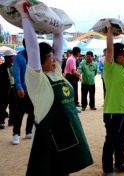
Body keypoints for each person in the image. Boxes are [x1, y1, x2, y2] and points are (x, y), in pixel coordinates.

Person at [15, 1, 93, 175]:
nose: (54, 59)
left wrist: (58, 25)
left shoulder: (55, 72)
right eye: (49, 57)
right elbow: (33, 48)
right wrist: (25, 16)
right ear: (38, 60)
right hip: (49, 136)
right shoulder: (37, 78)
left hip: (69, 131)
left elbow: (58, 43)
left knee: (65, 172)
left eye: (52, 55)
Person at [102, 19, 124, 176]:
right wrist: (109, 30)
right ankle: (107, 169)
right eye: (121, 54)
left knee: (122, 139)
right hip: (113, 110)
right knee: (111, 141)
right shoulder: (110, 67)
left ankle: (119, 163)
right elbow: (109, 49)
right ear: (114, 56)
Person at [12, 39, 35, 144]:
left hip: (34, 89)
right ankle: (16, 133)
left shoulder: (35, 57)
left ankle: (28, 131)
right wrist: (19, 87)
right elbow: (16, 73)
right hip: (23, 89)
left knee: (32, 111)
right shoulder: (18, 57)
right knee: (19, 112)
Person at [0, 49, 17, 129]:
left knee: (13, 105)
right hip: (4, 90)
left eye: (13, 57)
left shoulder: (14, 67)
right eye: (10, 57)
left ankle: (12, 121)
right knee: (2, 106)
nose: (12, 58)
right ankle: (1, 122)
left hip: (13, 88)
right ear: (6, 57)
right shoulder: (1, 68)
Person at [64, 47, 81, 111]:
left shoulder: (71, 58)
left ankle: (72, 107)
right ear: (78, 53)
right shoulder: (72, 59)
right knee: (72, 93)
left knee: (71, 92)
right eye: (80, 52)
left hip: (70, 77)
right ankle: (73, 108)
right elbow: (73, 72)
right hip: (71, 77)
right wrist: (79, 75)